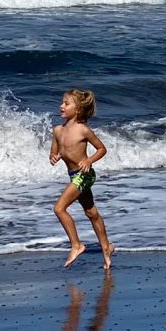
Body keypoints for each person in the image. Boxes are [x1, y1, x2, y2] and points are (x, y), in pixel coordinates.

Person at [51, 89, 114, 269]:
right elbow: (54, 153)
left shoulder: (83, 130)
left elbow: (102, 149)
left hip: (84, 175)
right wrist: (53, 157)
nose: (61, 106)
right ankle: (107, 248)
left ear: (77, 110)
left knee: (59, 208)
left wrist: (89, 160)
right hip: (73, 175)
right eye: (62, 102)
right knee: (91, 213)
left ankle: (76, 245)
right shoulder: (57, 130)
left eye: (66, 103)